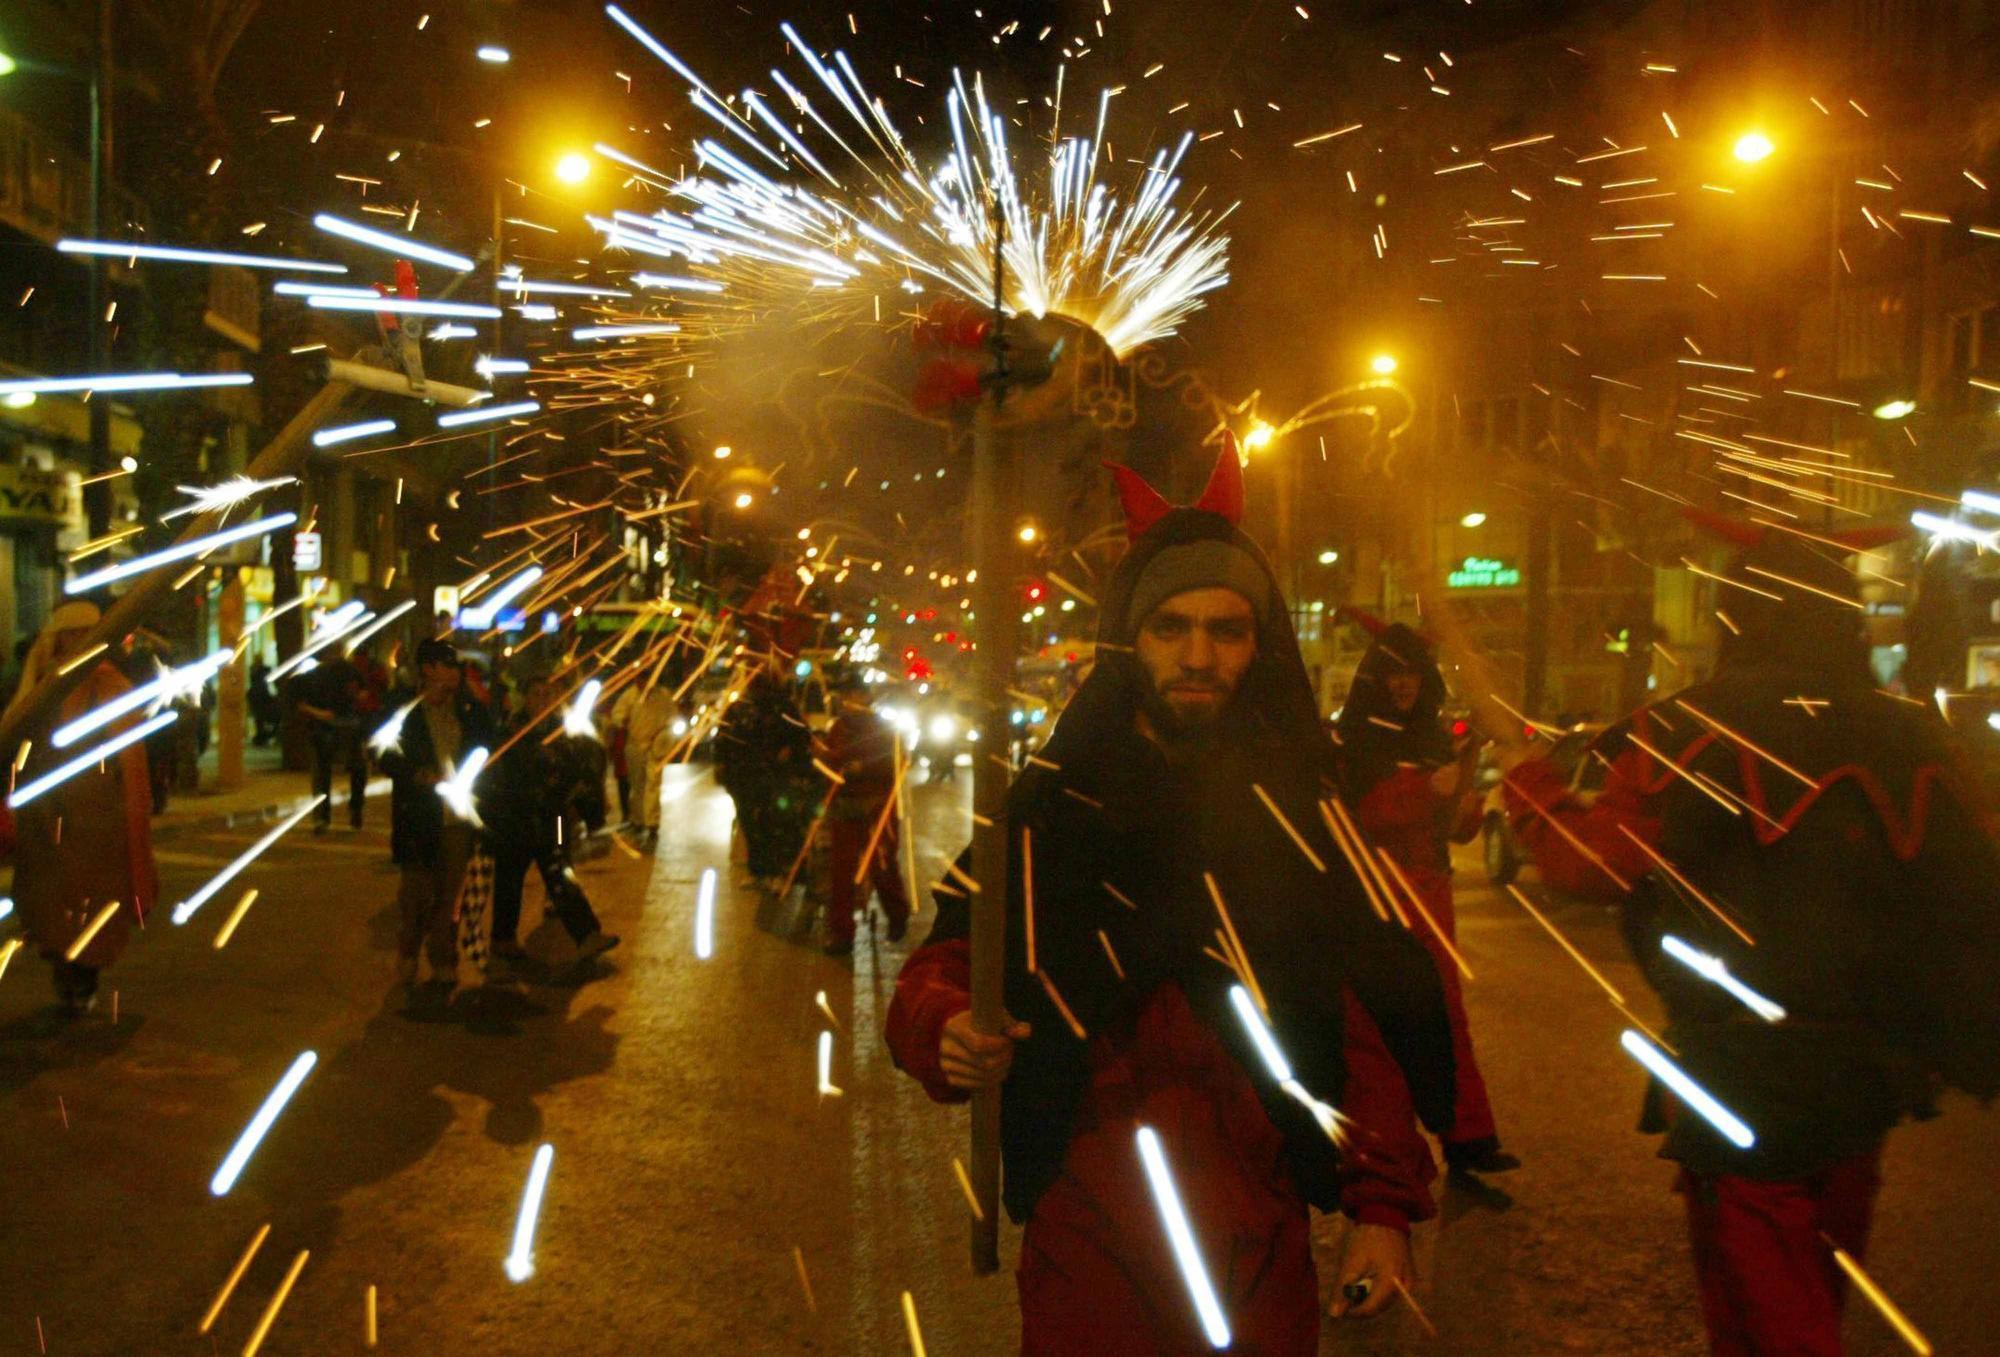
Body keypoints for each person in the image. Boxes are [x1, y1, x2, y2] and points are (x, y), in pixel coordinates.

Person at [886, 449, 1456, 1354]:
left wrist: (1381, 1207)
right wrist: (946, 1024)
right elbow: (941, 964)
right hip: (1089, 1230)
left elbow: (1366, 1013)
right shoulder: (1054, 803)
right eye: (1171, 627)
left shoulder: (1300, 810)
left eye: (1227, 631)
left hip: (1257, 1228)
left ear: (1257, 645)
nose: (1199, 655)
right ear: (1130, 640)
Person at [1500, 513, 2000, 1357]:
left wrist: (1539, 797)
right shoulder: (1916, 734)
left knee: (1766, 1305)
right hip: (1867, 1067)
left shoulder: (1688, 726)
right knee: (1818, 1279)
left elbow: (1595, 865)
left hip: (1739, 1066)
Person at [1334, 613, 1515, 1177]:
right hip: (1376, 893)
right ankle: (1383, 1154)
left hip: (1432, 891)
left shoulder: (1433, 737)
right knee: (1380, 1026)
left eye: (1411, 673)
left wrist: (1462, 806)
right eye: (1391, 674)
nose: (1402, 684)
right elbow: (1357, 814)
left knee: (1446, 1016)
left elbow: (1456, 829)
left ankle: (1468, 1136)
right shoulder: (1355, 740)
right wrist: (1422, 790)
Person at [3, 603, 159, 1015]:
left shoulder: (109, 686)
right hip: (45, 818)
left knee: (93, 907)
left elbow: (130, 761)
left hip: (97, 823)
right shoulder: (40, 684)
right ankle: (66, 971)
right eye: (66, 636)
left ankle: (83, 977)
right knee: (49, 906)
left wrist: (133, 812)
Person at [372, 638, 498, 990]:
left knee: (449, 898)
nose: (455, 673)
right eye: (448, 665)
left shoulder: (467, 708)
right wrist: (417, 774)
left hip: (457, 818)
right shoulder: (404, 709)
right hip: (420, 816)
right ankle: (408, 953)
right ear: (428, 669)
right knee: (416, 895)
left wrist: (479, 700)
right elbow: (380, 751)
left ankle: (444, 960)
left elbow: (490, 744)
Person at [483, 677, 620, 968]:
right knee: (510, 878)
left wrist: (589, 811)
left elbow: (585, 771)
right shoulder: (511, 730)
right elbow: (499, 775)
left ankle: (586, 934)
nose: (544, 699)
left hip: (554, 817)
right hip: (516, 818)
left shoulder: (567, 730)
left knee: (559, 869)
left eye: (550, 693)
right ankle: (502, 940)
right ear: (526, 697)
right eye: (537, 692)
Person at [818, 675, 911, 954]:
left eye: (855, 696)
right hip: (846, 806)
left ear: (866, 697)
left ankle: (897, 916)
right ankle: (841, 932)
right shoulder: (837, 728)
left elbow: (897, 762)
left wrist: (863, 768)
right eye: (846, 697)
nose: (849, 702)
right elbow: (830, 760)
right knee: (841, 872)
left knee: (882, 866)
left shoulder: (883, 729)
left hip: (877, 807)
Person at [716, 667, 813, 887]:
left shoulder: (782, 708)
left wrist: (789, 752)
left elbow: (801, 736)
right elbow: (723, 737)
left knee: (773, 825)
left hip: (773, 776)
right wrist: (722, 765)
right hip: (744, 776)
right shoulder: (739, 709)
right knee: (751, 825)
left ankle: (775, 872)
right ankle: (758, 871)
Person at [295, 652, 369, 833]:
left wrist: (317, 713)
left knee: (322, 774)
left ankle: (324, 817)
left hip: (325, 727)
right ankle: (354, 811)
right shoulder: (349, 670)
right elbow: (363, 694)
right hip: (345, 726)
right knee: (356, 770)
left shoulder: (314, 674)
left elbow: (301, 704)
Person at [622, 681, 678, 850]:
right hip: (636, 745)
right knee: (637, 785)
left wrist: (663, 739)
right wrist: (623, 721)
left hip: (655, 747)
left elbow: (672, 718)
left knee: (653, 784)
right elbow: (619, 716)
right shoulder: (629, 696)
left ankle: (652, 823)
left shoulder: (663, 696)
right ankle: (638, 820)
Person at [248, 657, 280, 746]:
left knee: (259, 718)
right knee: (260, 718)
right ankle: (264, 736)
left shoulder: (254, 670)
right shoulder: (264, 670)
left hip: (258, 696)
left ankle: (262, 736)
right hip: (262, 696)